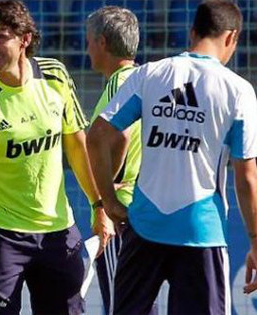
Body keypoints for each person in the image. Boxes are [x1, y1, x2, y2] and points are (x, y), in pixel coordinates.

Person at [87, 1, 257, 314]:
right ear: (232, 37)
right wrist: (256, 241)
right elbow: (245, 178)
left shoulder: (150, 74)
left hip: (143, 227)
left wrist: (108, 202)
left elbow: (96, 136)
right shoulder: (238, 91)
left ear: (192, 32)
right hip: (200, 232)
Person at [0, 1, 100, 313]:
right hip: (0, 234)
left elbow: (77, 144)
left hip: (58, 230)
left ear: (24, 39)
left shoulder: (55, 76)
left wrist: (98, 205)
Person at [84, 6, 147, 315]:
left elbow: (116, 137)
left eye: (88, 41)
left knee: (120, 305)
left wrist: (106, 195)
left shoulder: (118, 84)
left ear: (103, 43)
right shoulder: (148, 79)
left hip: (119, 210)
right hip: (145, 206)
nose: (87, 50)